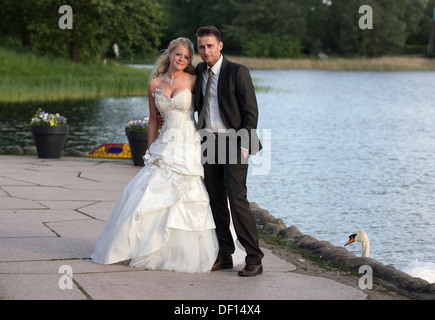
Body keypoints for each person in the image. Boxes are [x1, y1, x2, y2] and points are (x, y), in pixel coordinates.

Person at [91, 37, 221, 273]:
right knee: (146, 192)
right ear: (170, 54)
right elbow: (153, 119)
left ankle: (188, 252)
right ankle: (143, 246)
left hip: (188, 143)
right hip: (164, 144)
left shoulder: (194, 80)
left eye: (187, 57)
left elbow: (209, 109)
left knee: (188, 194)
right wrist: (150, 149)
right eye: (178, 54)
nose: (182, 59)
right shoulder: (154, 84)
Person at [194, 26, 264, 276]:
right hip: (208, 142)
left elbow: (251, 111)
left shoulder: (237, 71)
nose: (205, 51)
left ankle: (254, 258)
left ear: (220, 45)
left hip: (234, 142)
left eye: (210, 46)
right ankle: (224, 254)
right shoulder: (200, 70)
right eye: (201, 47)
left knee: (237, 199)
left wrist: (245, 145)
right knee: (215, 200)